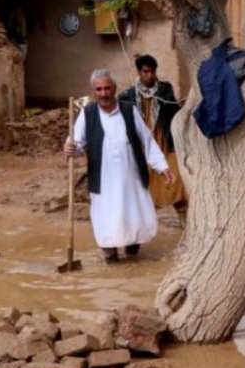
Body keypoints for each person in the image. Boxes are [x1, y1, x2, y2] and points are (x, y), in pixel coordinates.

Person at [64, 69, 175, 262]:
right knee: (106, 219)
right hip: (103, 179)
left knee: (133, 217)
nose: (104, 93)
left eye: (107, 88)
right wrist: (70, 148)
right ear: (93, 91)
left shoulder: (129, 110)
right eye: (99, 89)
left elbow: (147, 141)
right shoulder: (87, 115)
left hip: (130, 179)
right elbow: (77, 145)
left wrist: (162, 167)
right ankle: (111, 257)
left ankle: (132, 254)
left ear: (114, 89)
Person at [117, 55, 189, 227]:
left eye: (152, 71)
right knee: (144, 183)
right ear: (139, 72)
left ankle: (183, 219)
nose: (150, 75)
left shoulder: (165, 90)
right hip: (141, 146)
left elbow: (174, 114)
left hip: (164, 141)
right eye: (146, 72)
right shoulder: (127, 95)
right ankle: (143, 224)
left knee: (176, 178)